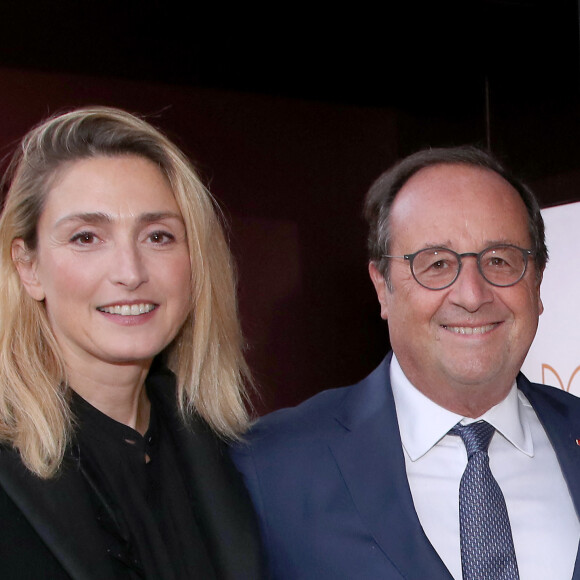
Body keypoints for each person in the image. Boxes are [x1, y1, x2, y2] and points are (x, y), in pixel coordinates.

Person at [231, 146, 580, 580]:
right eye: (435, 264)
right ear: (382, 286)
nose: (471, 295)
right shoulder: (269, 467)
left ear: (538, 281)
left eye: (500, 260)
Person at [0, 106, 263, 579]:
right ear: (28, 267)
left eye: (158, 236)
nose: (130, 272)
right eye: (86, 237)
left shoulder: (239, 459)